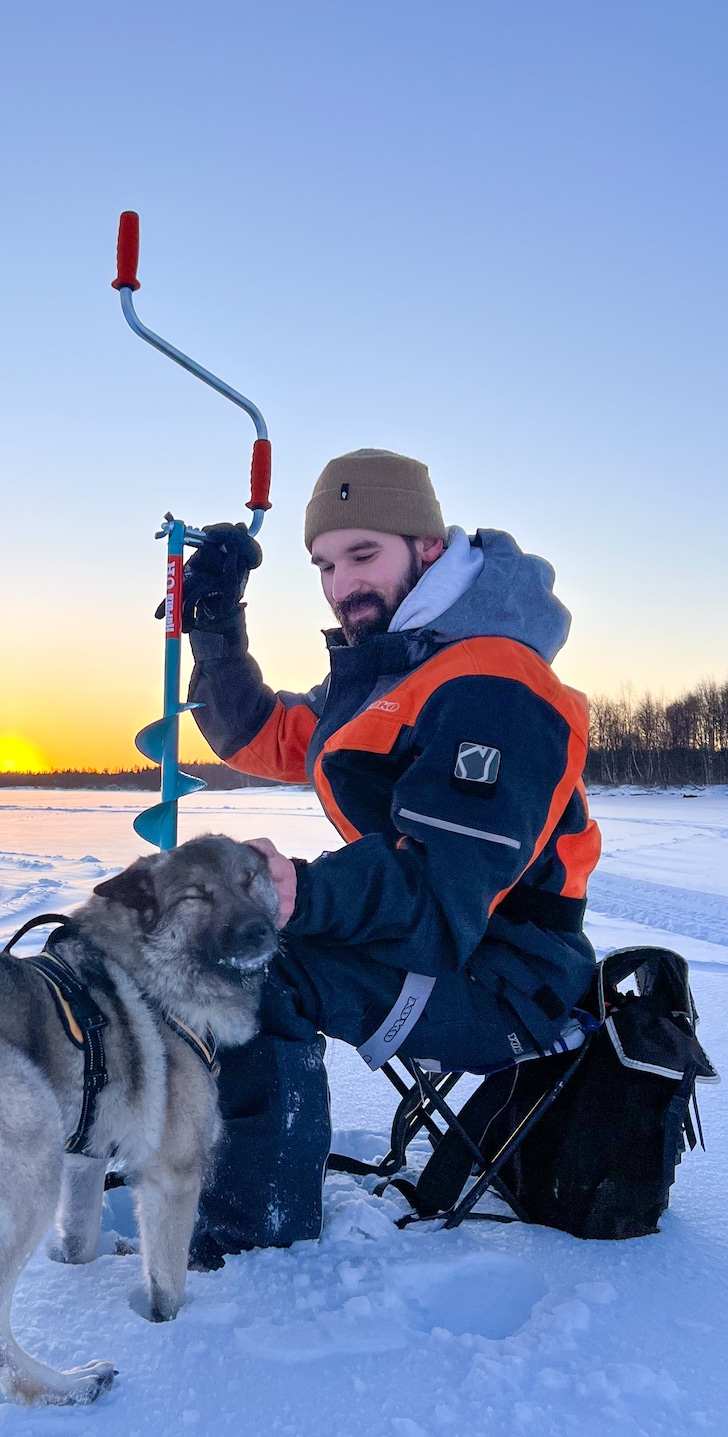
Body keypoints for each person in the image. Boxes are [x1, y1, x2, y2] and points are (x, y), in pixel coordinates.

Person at [185, 448, 601, 1266]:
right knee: (219, 947)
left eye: (363, 555)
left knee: (257, 967)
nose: (342, 586)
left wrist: (298, 890)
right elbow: (258, 735)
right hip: (452, 946)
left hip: (511, 979)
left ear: (430, 547)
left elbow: (434, 895)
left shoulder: (495, 683)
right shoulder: (396, 671)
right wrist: (213, 619)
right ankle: (204, 1153)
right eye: (324, 565)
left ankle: (253, 1242)